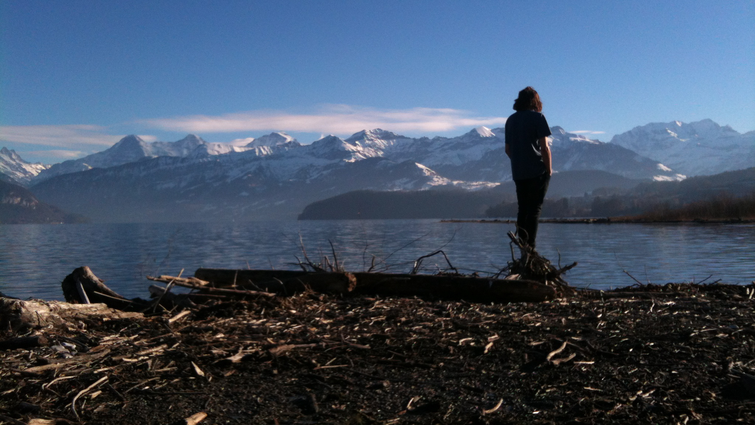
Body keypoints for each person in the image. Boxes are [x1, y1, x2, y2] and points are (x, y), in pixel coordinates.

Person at [504, 86, 552, 250]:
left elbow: (508, 149)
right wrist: (549, 169)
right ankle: (531, 247)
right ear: (535, 101)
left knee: (522, 208)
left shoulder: (511, 120)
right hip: (537, 171)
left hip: (518, 172)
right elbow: (545, 148)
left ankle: (523, 245)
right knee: (534, 209)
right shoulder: (538, 118)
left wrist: (519, 161)